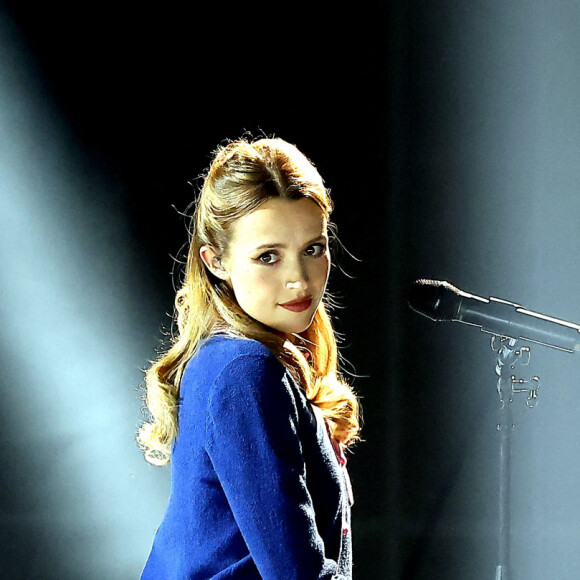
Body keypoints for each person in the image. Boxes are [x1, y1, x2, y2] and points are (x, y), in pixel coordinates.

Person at [138, 137, 361, 579]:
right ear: (216, 261)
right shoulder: (243, 371)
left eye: (313, 249)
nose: (298, 280)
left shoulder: (237, 361)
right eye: (268, 257)